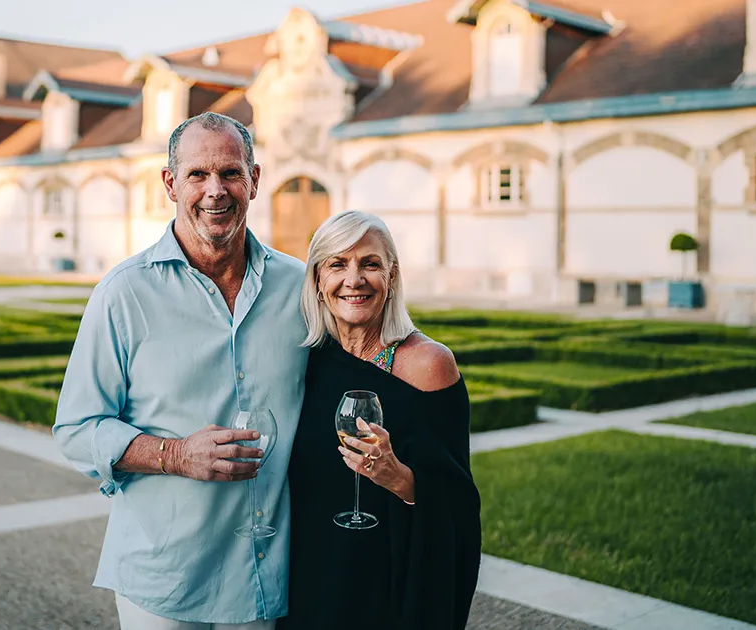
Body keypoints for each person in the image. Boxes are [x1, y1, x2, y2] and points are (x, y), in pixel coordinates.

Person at [51, 111, 309, 629]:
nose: (216, 190)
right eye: (197, 174)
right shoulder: (124, 293)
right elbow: (76, 430)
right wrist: (174, 455)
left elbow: (367, 349)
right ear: (171, 184)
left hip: (268, 579)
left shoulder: (301, 288)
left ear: (254, 180)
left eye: (231, 173)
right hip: (164, 581)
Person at [277, 210, 482, 630]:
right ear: (317, 279)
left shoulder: (428, 365)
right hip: (310, 576)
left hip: (387, 583)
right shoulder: (306, 361)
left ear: (391, 277)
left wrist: (398, 478)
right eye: (337, 264)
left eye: (370, 264)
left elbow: (459, 504)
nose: (354, 279)